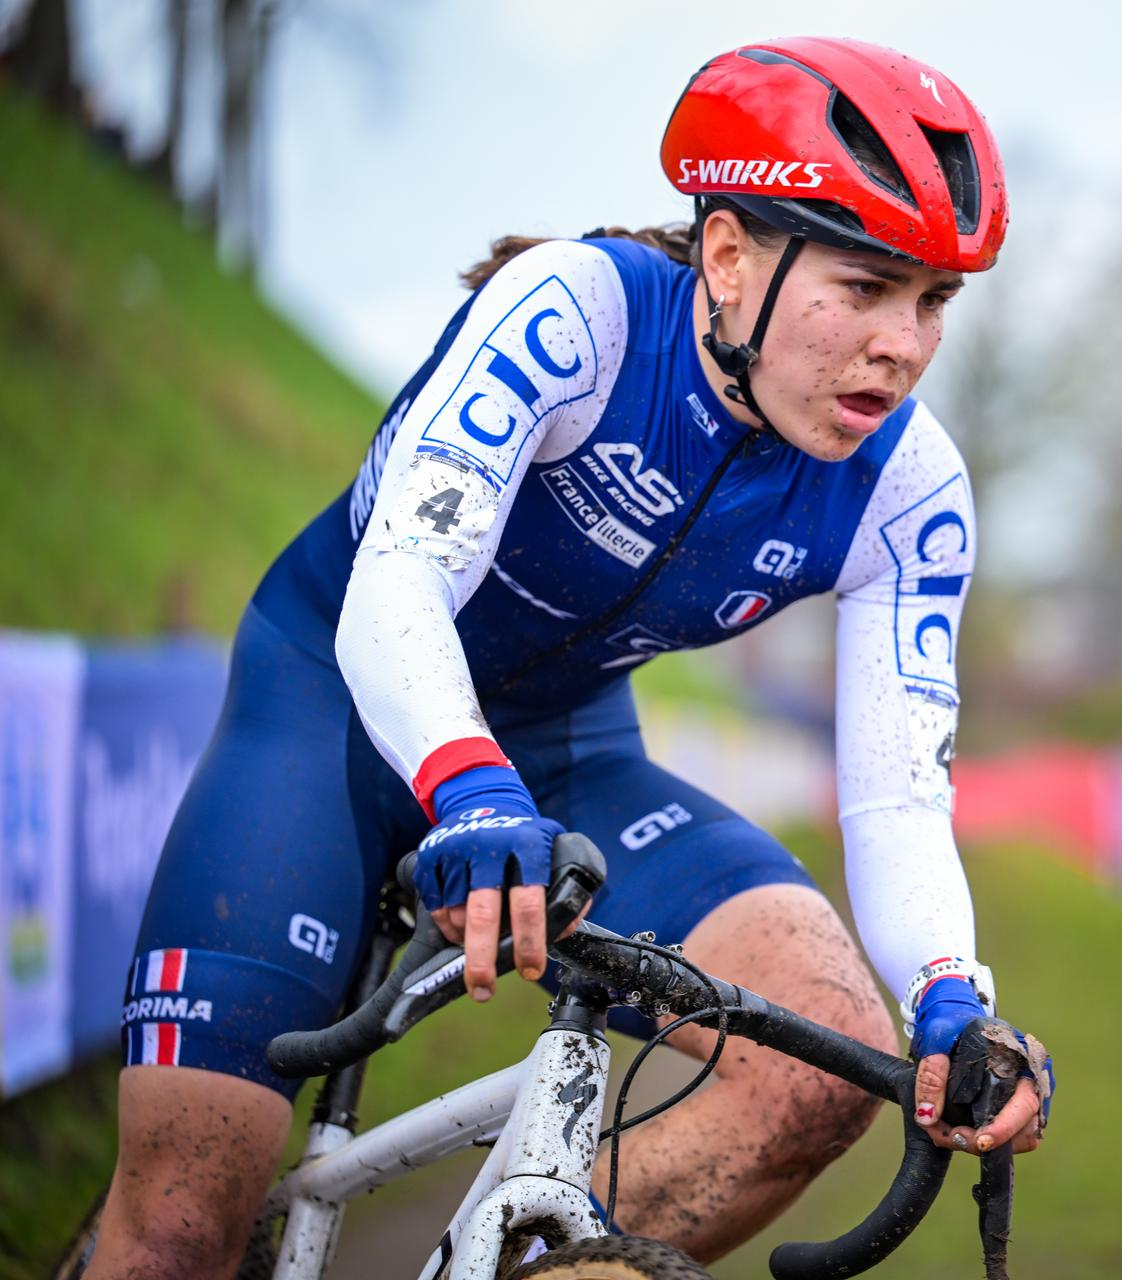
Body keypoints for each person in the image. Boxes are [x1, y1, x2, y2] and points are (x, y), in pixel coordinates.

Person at [92, 36, 1052, 1277]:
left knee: (820, 1057)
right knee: (174, 1230)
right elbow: (398, 582)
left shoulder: (911, 490)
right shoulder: (576, 312)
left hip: (562, 754)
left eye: (932, 301)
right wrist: (464, 780)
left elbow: (897, 790)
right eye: (865, 287)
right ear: (727, 256)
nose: (904, 345)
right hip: (331, 714)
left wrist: (951, 995)